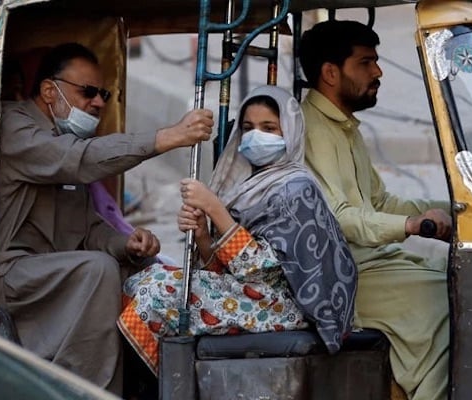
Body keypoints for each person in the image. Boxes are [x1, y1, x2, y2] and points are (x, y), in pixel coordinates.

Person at [0, 42, 214, 394]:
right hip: (11, 276)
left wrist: (125, 243)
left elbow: (87, 228)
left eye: (103, 94)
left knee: (143, 272)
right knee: (97, 270)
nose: (97, 102)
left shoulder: (63, 136)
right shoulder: (15, 127)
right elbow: (77, 159)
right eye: (88, 92)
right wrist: (166, 138)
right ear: (50, 91)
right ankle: (86, 390)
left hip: (52, 276)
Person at [117, 85, 357, 373]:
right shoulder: (247, 186)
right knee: (142, 279)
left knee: (159, 293)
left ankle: (168, 385)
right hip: (249, 292)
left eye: (269, 128)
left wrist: (215, 208)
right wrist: (204, 233)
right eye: (248, 128)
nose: (256, 136)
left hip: (283, 305)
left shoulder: (297, 190)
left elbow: (261, 269)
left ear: (290, 132)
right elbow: (221, 270)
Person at [299, 20, 452, 400]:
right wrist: (412, 224)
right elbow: (340, 217)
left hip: (378, 262)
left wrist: (452, 208)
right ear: (331, 73)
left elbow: (378, 203)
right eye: (366, 62)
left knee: (458, 281)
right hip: (349, 277)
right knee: (451, 309)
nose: (378, 71)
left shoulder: (344, 127)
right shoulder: (310, 129)